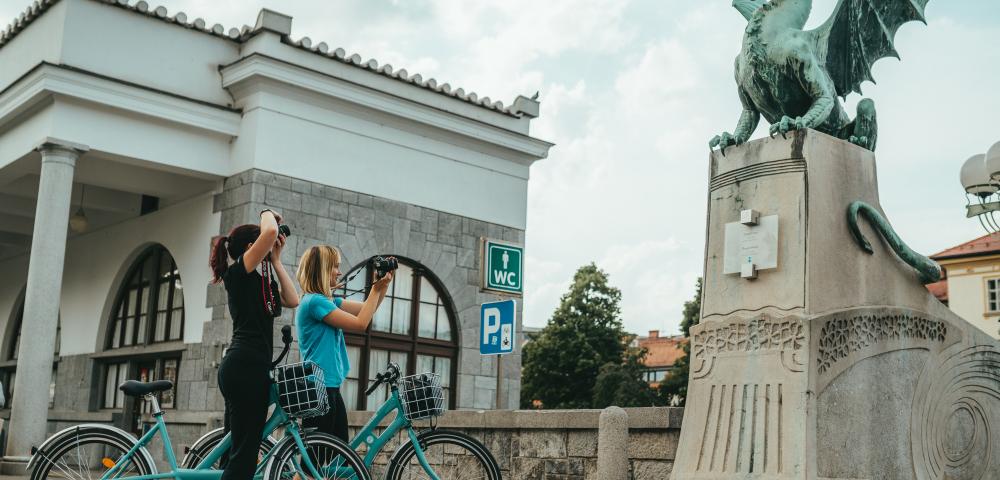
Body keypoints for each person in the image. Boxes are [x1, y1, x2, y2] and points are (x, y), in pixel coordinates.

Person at [209, 209, 299, 480]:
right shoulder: (238, 273)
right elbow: (270, 231)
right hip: (245, 368)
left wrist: (277, 260)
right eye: (264, 243)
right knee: (245, 458)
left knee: (236, 452)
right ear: (252, 247)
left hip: (248, 368)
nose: (271, 242)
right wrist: (267, 213)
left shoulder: (260, 282)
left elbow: (292, 299)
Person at [295, 245, 393, 441]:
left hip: (329, 385)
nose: (339, 272)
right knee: (318, 455)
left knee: (338, 452)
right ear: (322, 269)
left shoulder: (328, 302)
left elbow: (368, 309)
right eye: (335, 266)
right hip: (319, 388)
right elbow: (360, 324)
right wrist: (376, 288)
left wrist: (383, 284)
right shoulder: (314, 302)